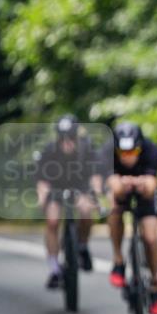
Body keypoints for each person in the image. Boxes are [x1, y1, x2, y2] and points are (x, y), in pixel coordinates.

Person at [34, 114, 104, 288]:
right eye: (63, 138)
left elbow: (95, 175)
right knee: (52, 221)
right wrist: (42, 198)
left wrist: (96, 195)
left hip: (79, 187)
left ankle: (82, 246)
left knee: (86, 213)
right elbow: (42, 180)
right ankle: (54, 268)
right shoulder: (49, 150)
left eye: (70, 137)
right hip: (56, 189)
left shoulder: (87, 148)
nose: (67, 142)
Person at [105, 121, 157, 314]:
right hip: (121, 192)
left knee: (150, 238)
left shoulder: (151, 150)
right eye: (123, 153)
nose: (128, 158)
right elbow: (112, 184)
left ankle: (155, 283)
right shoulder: (106, 153)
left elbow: (150, 186)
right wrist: (121, 184)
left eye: (132, 152)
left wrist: (137, 182)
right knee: (113, 208)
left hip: (144, 193)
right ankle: (118, 259)